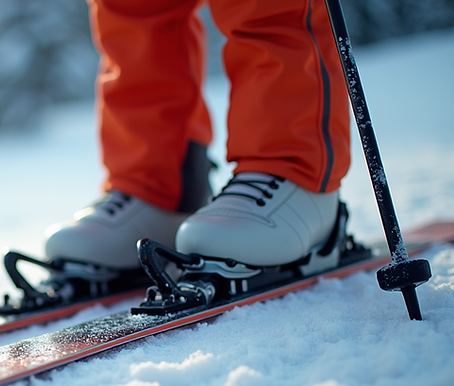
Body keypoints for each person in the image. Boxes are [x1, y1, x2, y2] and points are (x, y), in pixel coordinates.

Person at [45, 0, 351, 270]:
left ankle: (293, 166)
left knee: (267, 6)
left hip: (300, 161)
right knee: (133, 13)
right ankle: (159, 187)